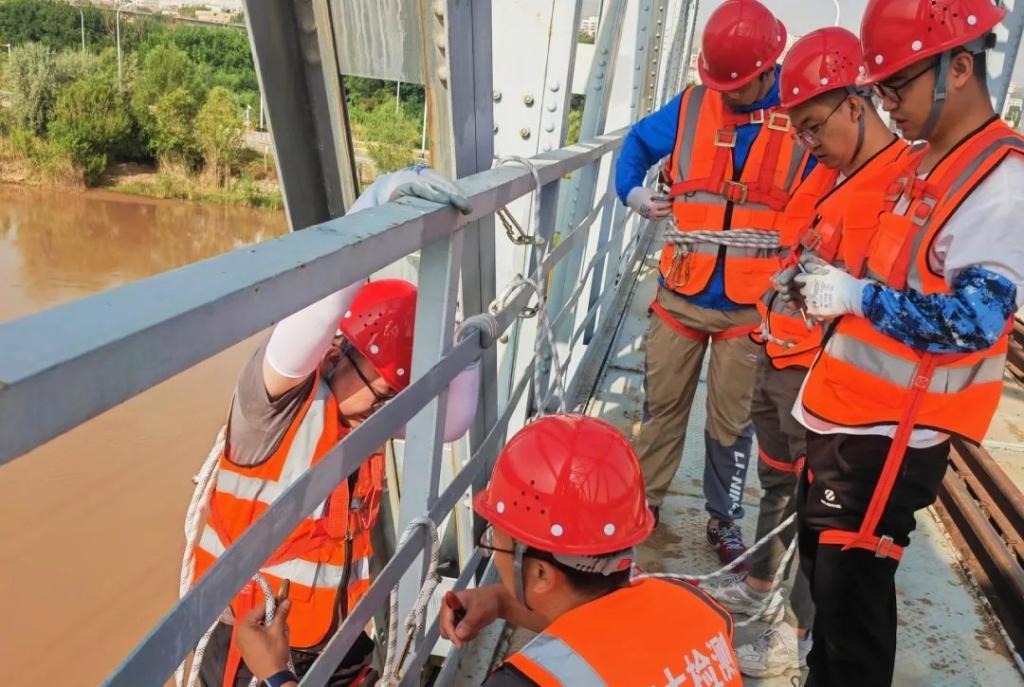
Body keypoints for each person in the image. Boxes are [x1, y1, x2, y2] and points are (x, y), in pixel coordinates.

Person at [791, 1, 1024, 684]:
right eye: (881, 89)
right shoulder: (927, 164)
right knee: (829, 620)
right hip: (845, 421)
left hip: (886, 445)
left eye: (897, 86)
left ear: (959, 67)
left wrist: (856, 295)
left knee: (852, 631)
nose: (887, 104)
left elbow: (975, 320)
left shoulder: (1000, 185)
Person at [191, 166, 483, 687]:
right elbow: (319, 308)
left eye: (397, 396)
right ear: (339, 352)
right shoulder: (274, 407)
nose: (388, 408)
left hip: (333, 645)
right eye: (384, 390)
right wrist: (378, 201)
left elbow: (452, 423)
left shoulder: (361, 420)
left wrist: (467, 342)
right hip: (253, 652)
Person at [701, 27, 912, 679]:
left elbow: (878, 298)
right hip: (780, 355)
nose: (808, 144)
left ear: (858, 104)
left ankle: (795, 642)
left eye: (816, 126)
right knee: (780, 488)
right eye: (802, 132)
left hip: (823, 387)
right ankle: (768, 602)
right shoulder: (834, 172)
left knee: (815, 528)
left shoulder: (894, 184)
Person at [614, 0, 816, 566]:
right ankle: (644, 506)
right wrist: (631, 191)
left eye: (737, 84)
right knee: (660, 411)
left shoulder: (804, 118)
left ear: (767, 69)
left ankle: (722, 519)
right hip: (681, 294)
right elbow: (636, 144)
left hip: (751, 308)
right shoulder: (693, 104)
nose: (725, 93)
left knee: (732, 426)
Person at [438, 414, 742, 686]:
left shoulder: (528, 681)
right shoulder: (699, 606)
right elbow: (608, 638)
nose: (494, 553)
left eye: (495, 541)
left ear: (542, 573)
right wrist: (500, 602)